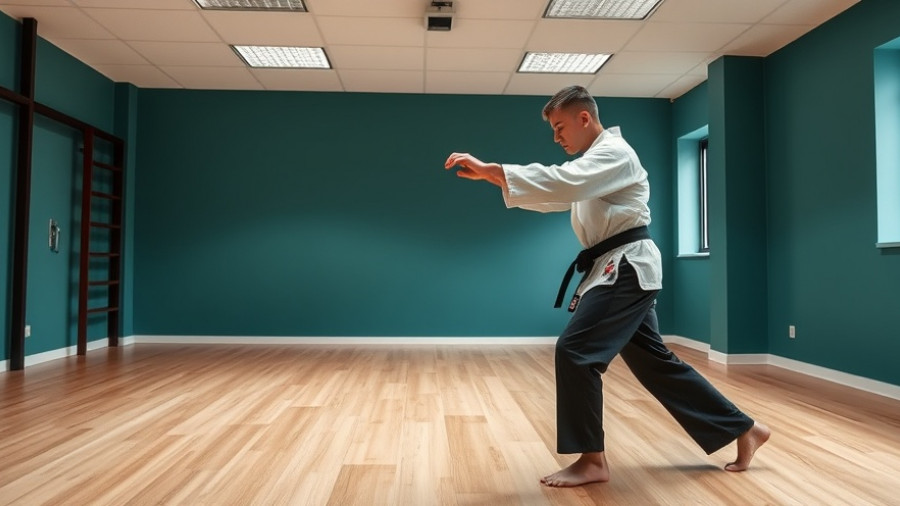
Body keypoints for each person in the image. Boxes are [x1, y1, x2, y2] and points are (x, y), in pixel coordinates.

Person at [444, 85, 770, 488]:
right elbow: (557, 196)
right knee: (655, 362)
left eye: (560, 127)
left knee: (576, 351)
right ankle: (744, 429)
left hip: (626, 267)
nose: (557, 137)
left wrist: (496, 169)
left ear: (585, 118)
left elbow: (562, 184)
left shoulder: (613, 154)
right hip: (614, 266)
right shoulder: (595, 164)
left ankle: (592, 461)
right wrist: (496, 179)